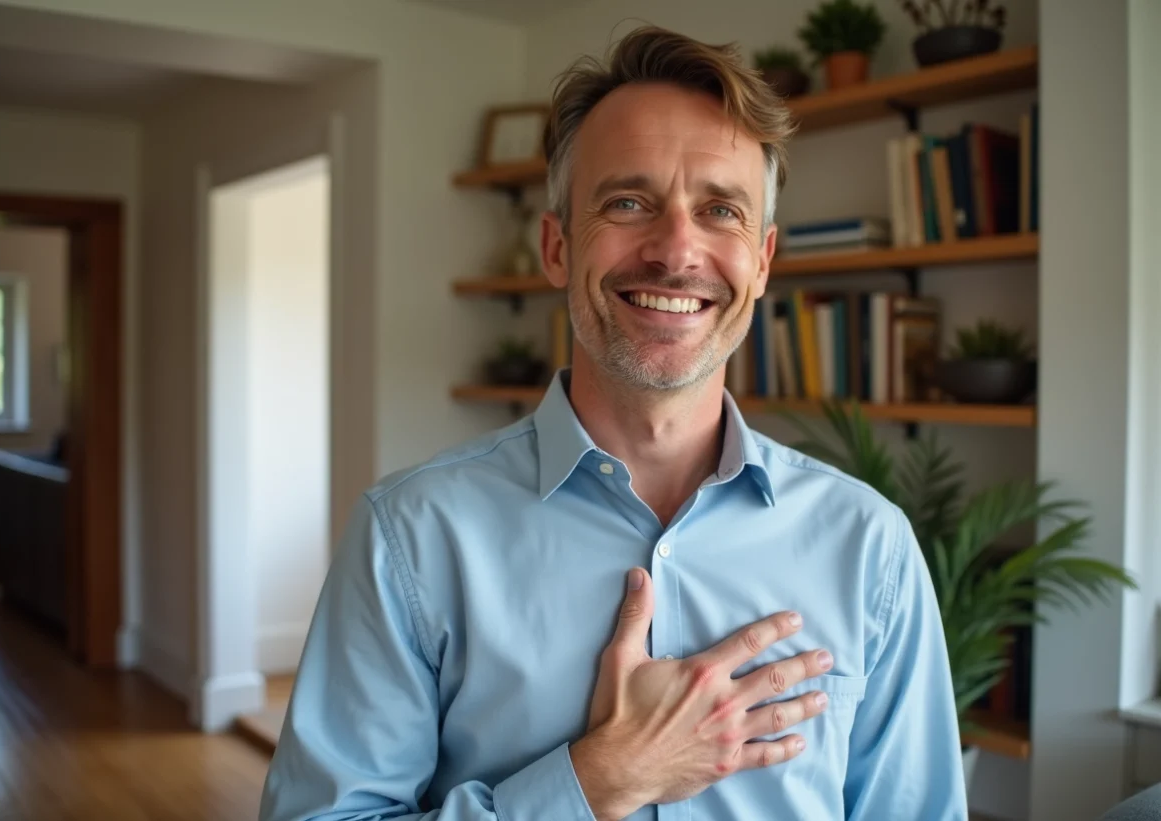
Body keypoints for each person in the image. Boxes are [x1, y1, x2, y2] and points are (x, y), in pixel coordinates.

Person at [259, 24, 968, 821]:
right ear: (557, 247)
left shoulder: (870, 547)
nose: (675, 250)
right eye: (629, 202)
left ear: (762, 261)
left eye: (720, 210)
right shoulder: (411, 538)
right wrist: (596, 782)